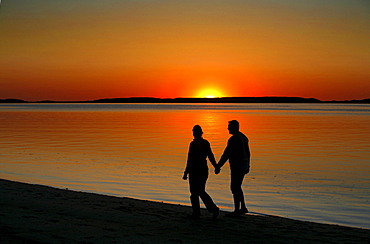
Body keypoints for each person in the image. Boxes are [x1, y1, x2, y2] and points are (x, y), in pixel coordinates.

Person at [183, 125, 219, 219]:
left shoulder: (193, 144)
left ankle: (204, 211)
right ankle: (205, 210)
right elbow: (210, 156)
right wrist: (215, 166)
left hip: (196, 170)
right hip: (203, 169)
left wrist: (186, 172)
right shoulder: (205, 143)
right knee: (200, 191)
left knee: (195, 192)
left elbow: (190, 159)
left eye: (194, 132)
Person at [216, 120, 250, 217]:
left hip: (237, 166)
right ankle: (242, 207)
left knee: (234, 187)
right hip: (244, 165)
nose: (228, 128)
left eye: (229, 126)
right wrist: (248, 165)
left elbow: (226, 154)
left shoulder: (234, 139)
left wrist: (218, 166)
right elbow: (248, 153)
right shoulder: (243, 137)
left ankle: (236, 210)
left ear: (234, 127)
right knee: (238, 187)